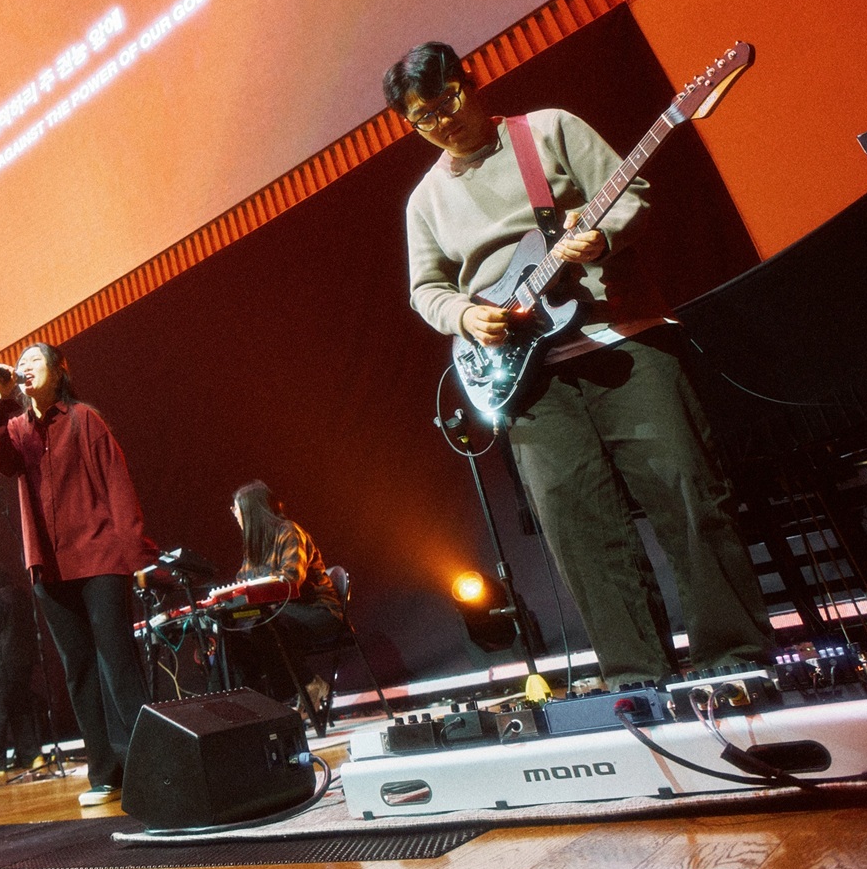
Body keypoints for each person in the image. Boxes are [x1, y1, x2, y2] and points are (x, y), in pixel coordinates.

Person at [385, 40, 772, 687]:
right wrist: (466, 316)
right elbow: (426, 289)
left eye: (447, 101)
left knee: (685, 492)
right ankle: (635, 678)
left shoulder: (548, 129)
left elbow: (631, 194)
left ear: (470, 83)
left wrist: (602, 236)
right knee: (578, 530)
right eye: (422, 117)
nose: (442, 122)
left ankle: (734, 659)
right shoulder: (425, 200)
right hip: (525, 379)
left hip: (620, 337)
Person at [0, 343, 156, 807]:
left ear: (59, 371)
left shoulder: (85, 419)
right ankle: (105, 772)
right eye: (20, 364)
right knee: (77, 669)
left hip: (100, 557)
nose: (24, 368)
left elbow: (118, 487)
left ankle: (151, 764)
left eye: (34, 361)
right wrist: (0, 398)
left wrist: (137, 559)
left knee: (117, 661)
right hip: (50, 567)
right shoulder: (18, 429)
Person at [226, 481, 341, 717]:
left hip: (318, 612)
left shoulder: (289, 532)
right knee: (231, 635)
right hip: (280, 614)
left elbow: (291, 580)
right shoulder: (254, 548)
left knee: (264, 626)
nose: (234, 513)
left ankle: (305, 685)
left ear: (252, 510)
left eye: (237, 508)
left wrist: (254, 592)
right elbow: (242, 585)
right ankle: (247, 710)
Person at [0, 560, 44, 776]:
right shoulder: (22, 597)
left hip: (1, 664)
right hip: (23, 663)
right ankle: (32, 756)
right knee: (20, 711)